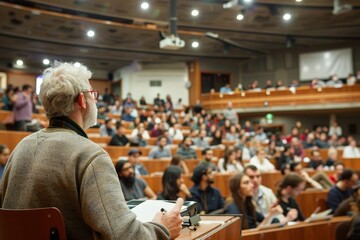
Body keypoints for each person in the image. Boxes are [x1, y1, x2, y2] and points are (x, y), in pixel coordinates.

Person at [0, 62, 183, 239]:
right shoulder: (90, 155)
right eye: (92, 95)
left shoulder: (20, 148)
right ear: (82, 100)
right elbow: (123, 236)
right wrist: (162, 229)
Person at [224, 173, 292, 229]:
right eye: (246, 183)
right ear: (237, 188)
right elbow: (248, 234)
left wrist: (272, 214)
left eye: (250, 182)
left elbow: (263, 221)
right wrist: (271, 215)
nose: (251, 185)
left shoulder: (247, 204)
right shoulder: (232, 207)